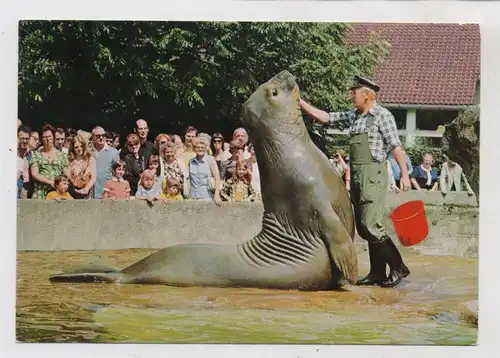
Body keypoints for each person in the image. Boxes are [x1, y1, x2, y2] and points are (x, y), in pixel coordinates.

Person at [299, 75, 411, 288]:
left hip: (374, 175)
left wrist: (404, 174)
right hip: (358, 175)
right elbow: (326, 117)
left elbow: (396, 147)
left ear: (367, 95)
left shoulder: (382, 116)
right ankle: (377, 272)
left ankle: (398, 266)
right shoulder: (354, 116)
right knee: (362, 226)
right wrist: (301, 103)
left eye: (355, 92)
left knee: (372, 225)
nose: (351, 95)